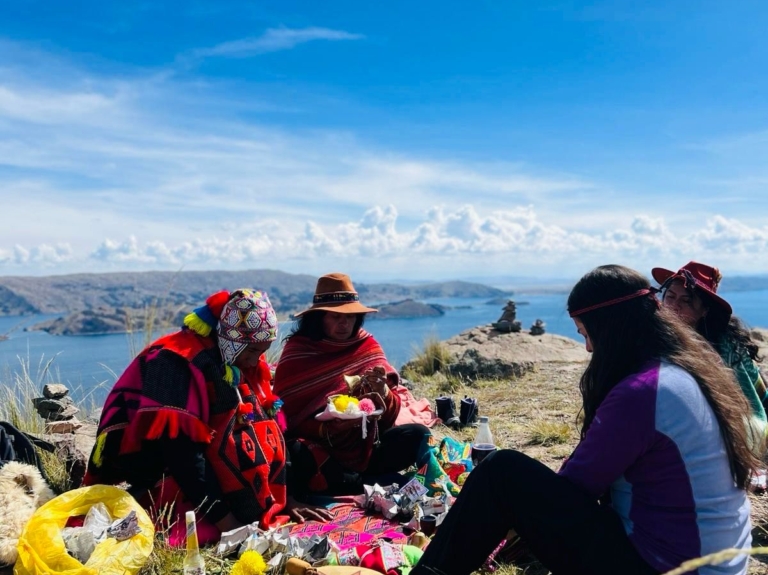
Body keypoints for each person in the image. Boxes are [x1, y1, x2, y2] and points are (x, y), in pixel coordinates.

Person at [412, 265, 758, 575]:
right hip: (715, 561)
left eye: (585, 333)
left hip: (670, 565)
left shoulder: (642, 393)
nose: (589, 348)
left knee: (501, 473)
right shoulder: (684, 370)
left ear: (609, 329)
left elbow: (576, 486)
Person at [84, 289, 331, 542]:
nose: (254, 361)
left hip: (206, 465)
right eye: (251, 352)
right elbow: (183, 455)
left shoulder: (234, 358)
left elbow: (267, 425)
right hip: (164, 466)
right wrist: (229, 524)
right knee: (191, 531)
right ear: (232, 340)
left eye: (261, 352)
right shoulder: (174, 363)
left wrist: (286, 498)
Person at [273, 272, 431, 497]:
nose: (344, 323)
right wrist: (326, 429)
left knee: (417, 434)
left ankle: (364, 483)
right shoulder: (298, 353)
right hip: (323, 451)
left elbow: (389, 418)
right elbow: (286, 418)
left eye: (350, 316)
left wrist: (383, 393)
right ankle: (369, 484)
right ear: (319, 318)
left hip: (367, 447)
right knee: (297, 454)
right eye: (334, 316)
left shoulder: (366, 345)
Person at [652, 261, 767, 436]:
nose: (674, 306)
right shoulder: (652, 338)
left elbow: (755, 394)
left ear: (704, 310)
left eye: (686, 300)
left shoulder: (726, 347)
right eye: (670, 296)